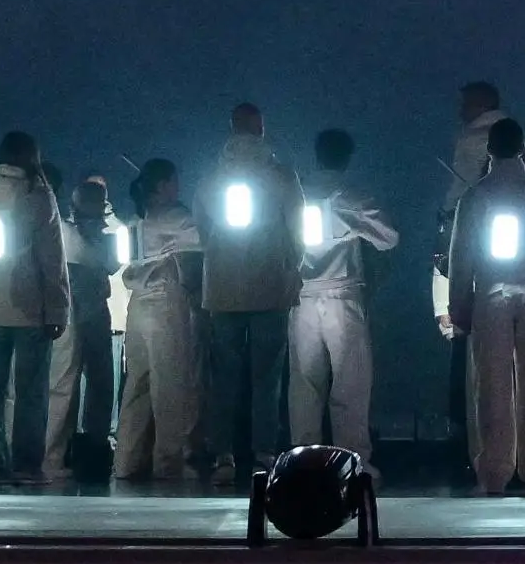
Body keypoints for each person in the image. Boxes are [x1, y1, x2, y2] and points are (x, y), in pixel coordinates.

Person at [449, 117, 525, 496]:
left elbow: (461, 257)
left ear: (489, 150)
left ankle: (493, 472)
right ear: (523, 149)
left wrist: (459, 305)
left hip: (490, 293)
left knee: (490, 384)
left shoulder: (474, 197)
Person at [199, 102, 302, 485]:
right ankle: (264, 453)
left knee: (224, 376)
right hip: (270, 287)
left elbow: (201, 228)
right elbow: (297, 230)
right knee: (267, 376)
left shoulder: (212, 177)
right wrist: (290, 267)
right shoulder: (280, 175)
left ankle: (223, 455)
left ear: (230, 129)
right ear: (261, 130)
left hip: (222, 289)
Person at [0, 131, 67, 485]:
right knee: (31, 391)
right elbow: (53, 260)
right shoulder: (39, 200)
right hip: (31, 309)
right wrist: (58, 309)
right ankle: (26, 464)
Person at [289, 128, 399, 463]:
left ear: (316, 154)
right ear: (347, 158)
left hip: (301, 300)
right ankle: (353, 462)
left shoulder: (295, 195)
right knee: (350, 387)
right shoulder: (351, 197)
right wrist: (353, 227)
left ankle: (301, 461)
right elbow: (389, 238)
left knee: (304, 388)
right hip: (343, 299)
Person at [115, 159, 206, 482]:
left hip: (136, 307)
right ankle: (169, 463)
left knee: (136, 385)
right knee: (170, 384)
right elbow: (206, 237)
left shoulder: (134, 221)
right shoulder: (175, 216)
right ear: (165, 184)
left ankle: (126, 461)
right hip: (165, 304)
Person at [436, 80, 508, 471]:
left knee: (475, 357)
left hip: (476, 253)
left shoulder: (476, 138)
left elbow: (457, 198)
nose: (461, 109)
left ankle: (477, 444)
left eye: (467, 103)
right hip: (504, 264)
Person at [45, 173, 125, 484]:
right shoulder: (65, 232)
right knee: (67, 380)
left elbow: (111, 265)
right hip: (78, 304)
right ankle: (56, 453)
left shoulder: (97, 234)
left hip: (92, 306)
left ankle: (87, 448)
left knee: (97, 380)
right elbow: (109, 265)